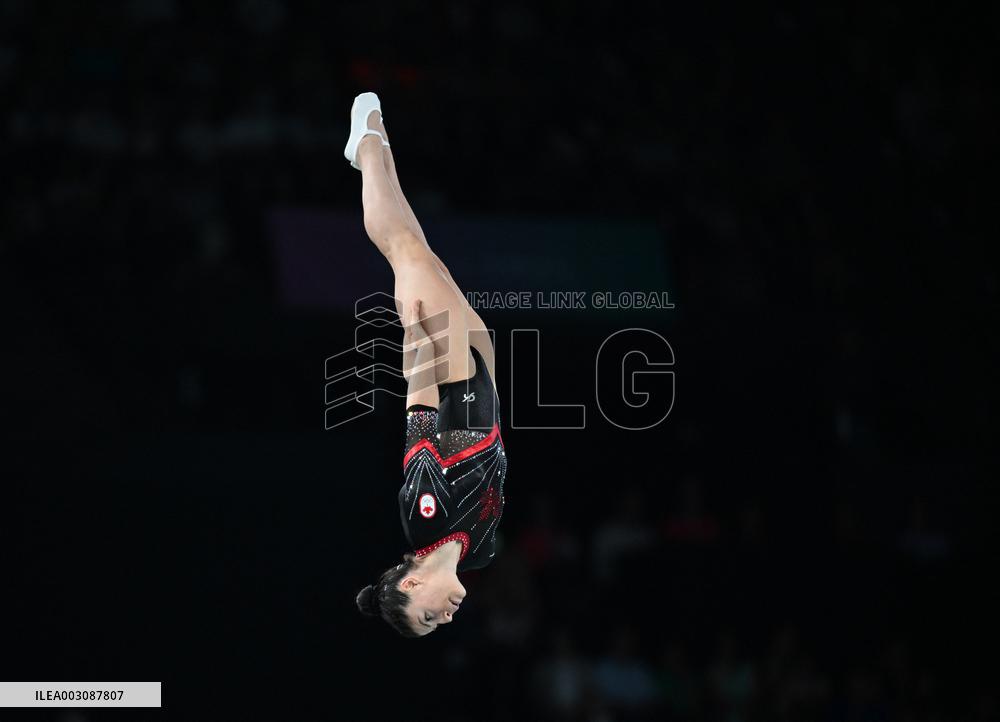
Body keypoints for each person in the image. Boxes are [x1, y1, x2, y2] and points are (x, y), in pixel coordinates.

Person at [347, 93, 508, 637]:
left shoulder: (423, 521)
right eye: (437, 626)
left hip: (446, 369)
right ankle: (375, 144)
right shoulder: (481, 552)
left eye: (428, 616)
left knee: (402, 249)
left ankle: (368, 148)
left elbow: (420, 422)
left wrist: (414, 340)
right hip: (481, 372)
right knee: (420, 249)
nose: (445, 617)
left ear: (411, 584)